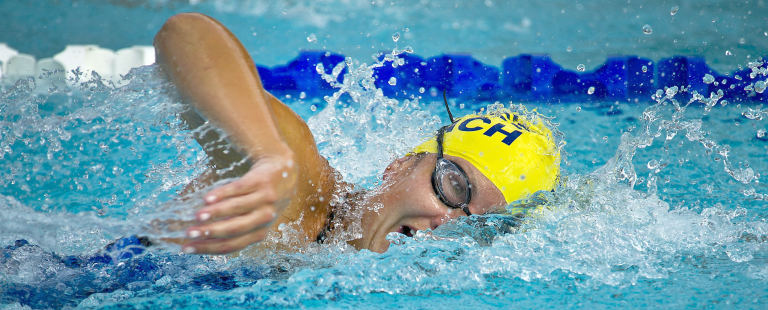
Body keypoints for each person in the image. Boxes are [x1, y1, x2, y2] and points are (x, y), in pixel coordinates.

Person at [153, 13, 560, 255]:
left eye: (480, 226)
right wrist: (266, 155)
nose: (447, 223)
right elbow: (186, 34)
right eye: (454, 187)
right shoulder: (298, 190)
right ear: (399, 166)